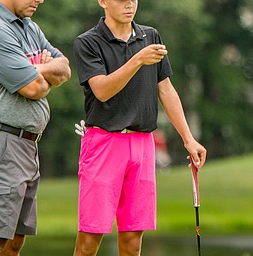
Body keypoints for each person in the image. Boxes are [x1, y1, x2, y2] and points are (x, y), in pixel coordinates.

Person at [72, 0, 207, 255]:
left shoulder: (150, 36)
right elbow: (101, 91)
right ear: (102, 1)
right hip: (103, 143)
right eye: (121, 0)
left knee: (133, 240)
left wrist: (188, 139)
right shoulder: (88, 42)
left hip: (143, 144)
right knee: (89, 240)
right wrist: (137, 60)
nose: (129, 5)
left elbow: (165, 89)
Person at [0, 0, 71, 255]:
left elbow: (64, 68)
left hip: (24, 146)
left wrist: (36, 69)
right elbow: (34, 88)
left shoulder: (28, 27)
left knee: (14, 240)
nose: (40, 0)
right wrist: (43, 76)